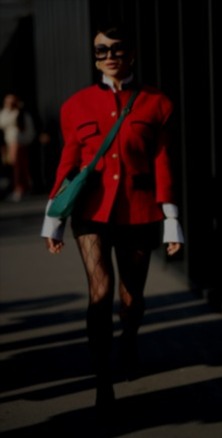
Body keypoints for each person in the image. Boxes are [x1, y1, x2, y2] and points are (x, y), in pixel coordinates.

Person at [40, 22, 184, 419]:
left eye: (117, 49)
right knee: (99, 293)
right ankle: (103, 380)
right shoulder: (76, 105)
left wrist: (171, 218)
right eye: (101, 51)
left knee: (131, 298)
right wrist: (53, 220)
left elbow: (163, 162)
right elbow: (68, 163)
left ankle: (130, 340)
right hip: (91, 212)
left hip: (139, 211)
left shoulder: (158, 103)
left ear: (132, 53)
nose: (109, 57)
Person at [0, 92, 36, 201]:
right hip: (10, 142)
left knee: (21, 167)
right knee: (15, 167)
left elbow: (30, 129)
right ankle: (18, 188)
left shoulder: (22, 114)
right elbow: (2, 122)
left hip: (21, 143)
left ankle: (22, 188)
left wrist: (27, 140)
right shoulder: (6, 113)